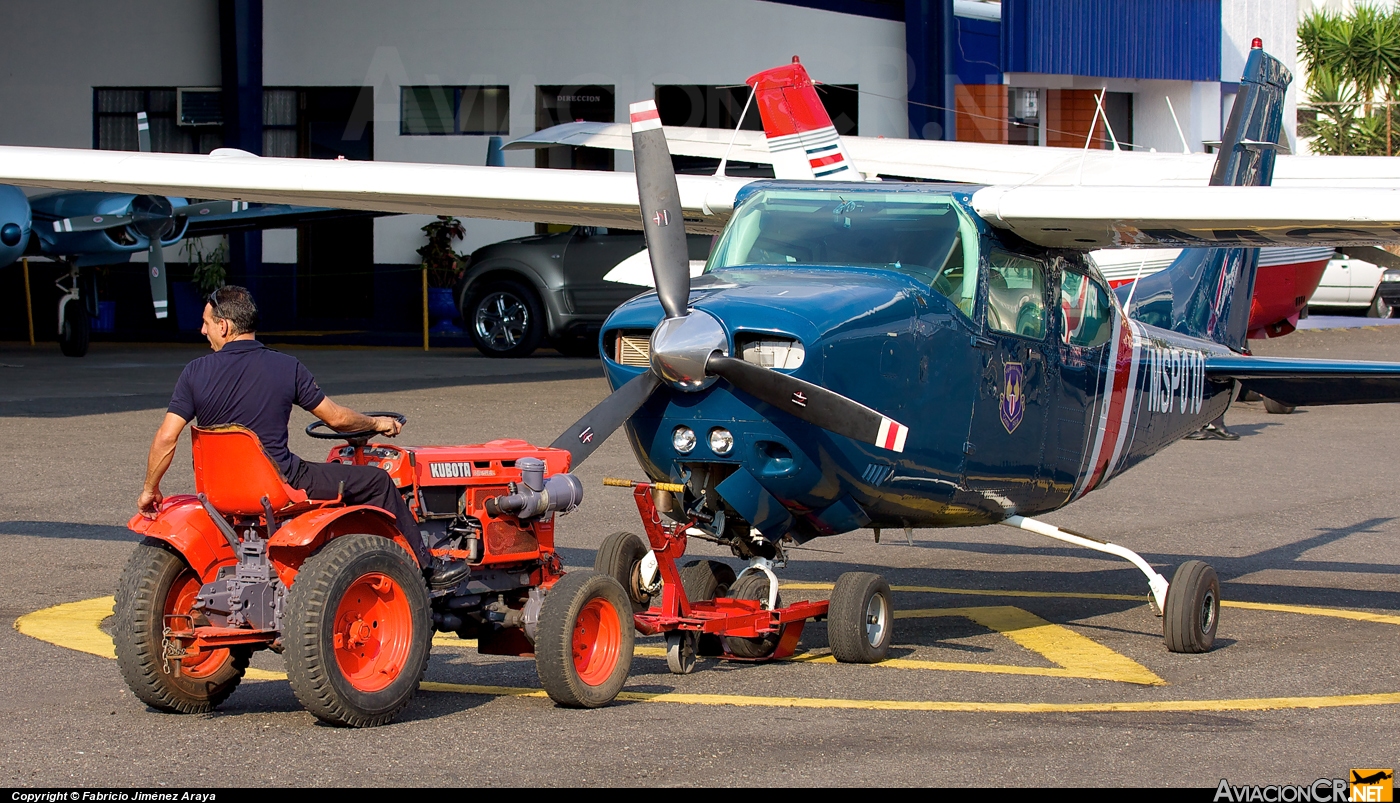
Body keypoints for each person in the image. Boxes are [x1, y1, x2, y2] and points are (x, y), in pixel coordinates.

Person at [136, 285, 466, 588]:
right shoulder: (286, 367)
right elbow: (336, 419)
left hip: (218, 493)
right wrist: (377, 423)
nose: (203, 329)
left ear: (224, 326)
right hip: (279, 486)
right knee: (377, 481)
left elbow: (167, 438)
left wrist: (150, 490)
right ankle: (426, 567)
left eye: (206, 322)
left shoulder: (194, 372)